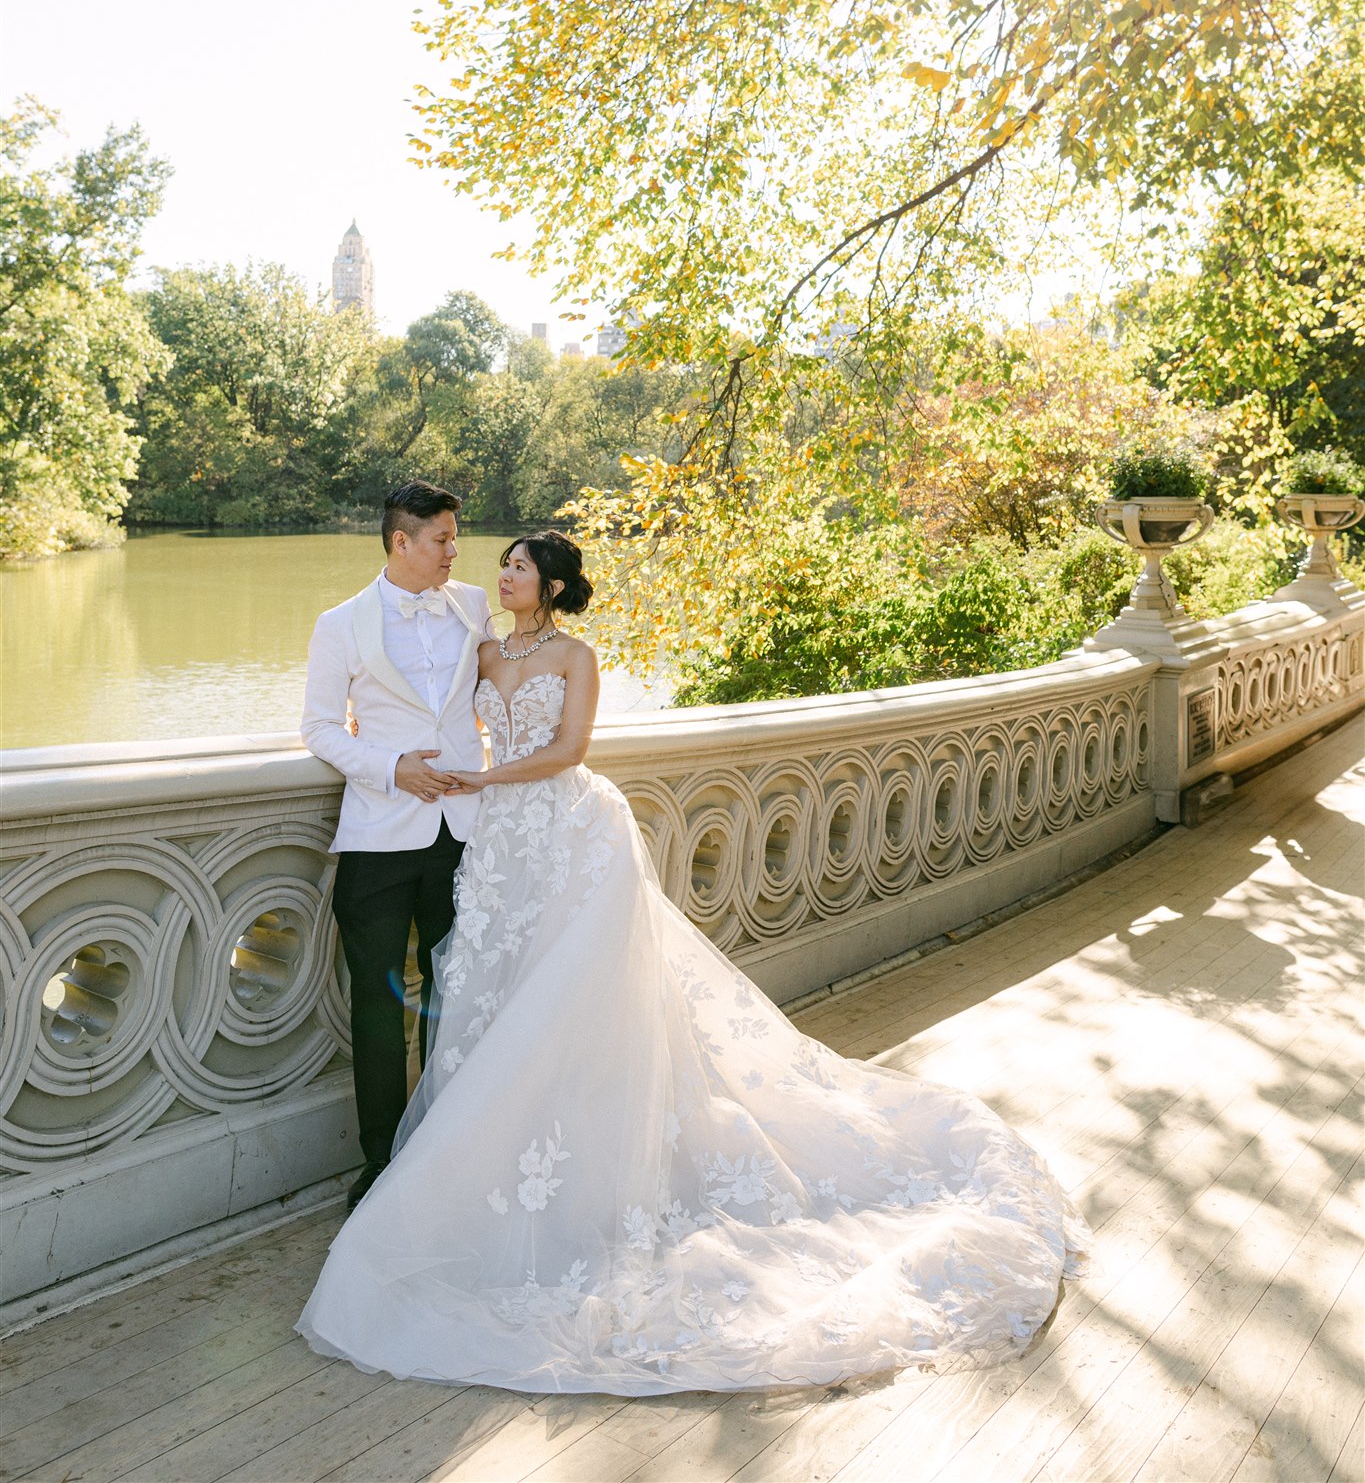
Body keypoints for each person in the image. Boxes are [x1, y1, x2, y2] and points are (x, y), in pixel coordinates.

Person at [298, 529, 1087, 1392]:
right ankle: (477, 1157)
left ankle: (603, 1167)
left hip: (566, 829)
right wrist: (424, 770)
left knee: (583, 993)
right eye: (492, 560)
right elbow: (414, 708)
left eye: (517, 566)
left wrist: (481, 783)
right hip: (494, 846)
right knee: (496, 992)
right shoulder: (477, 642)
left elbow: (568, 751)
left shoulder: (576, 654)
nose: (497, 572)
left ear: (553, 585)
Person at [301, 480, 495, 1211]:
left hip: (462, 838)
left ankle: (447, 1148)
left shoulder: (475, 605)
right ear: (400, 543)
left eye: (455, 537)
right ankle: (379, 1164)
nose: (454, 551)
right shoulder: (339, 624)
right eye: (442, 539)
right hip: (380, 838)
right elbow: (319, 728)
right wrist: (390, 768)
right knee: (376, 1008)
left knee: (457, 994)